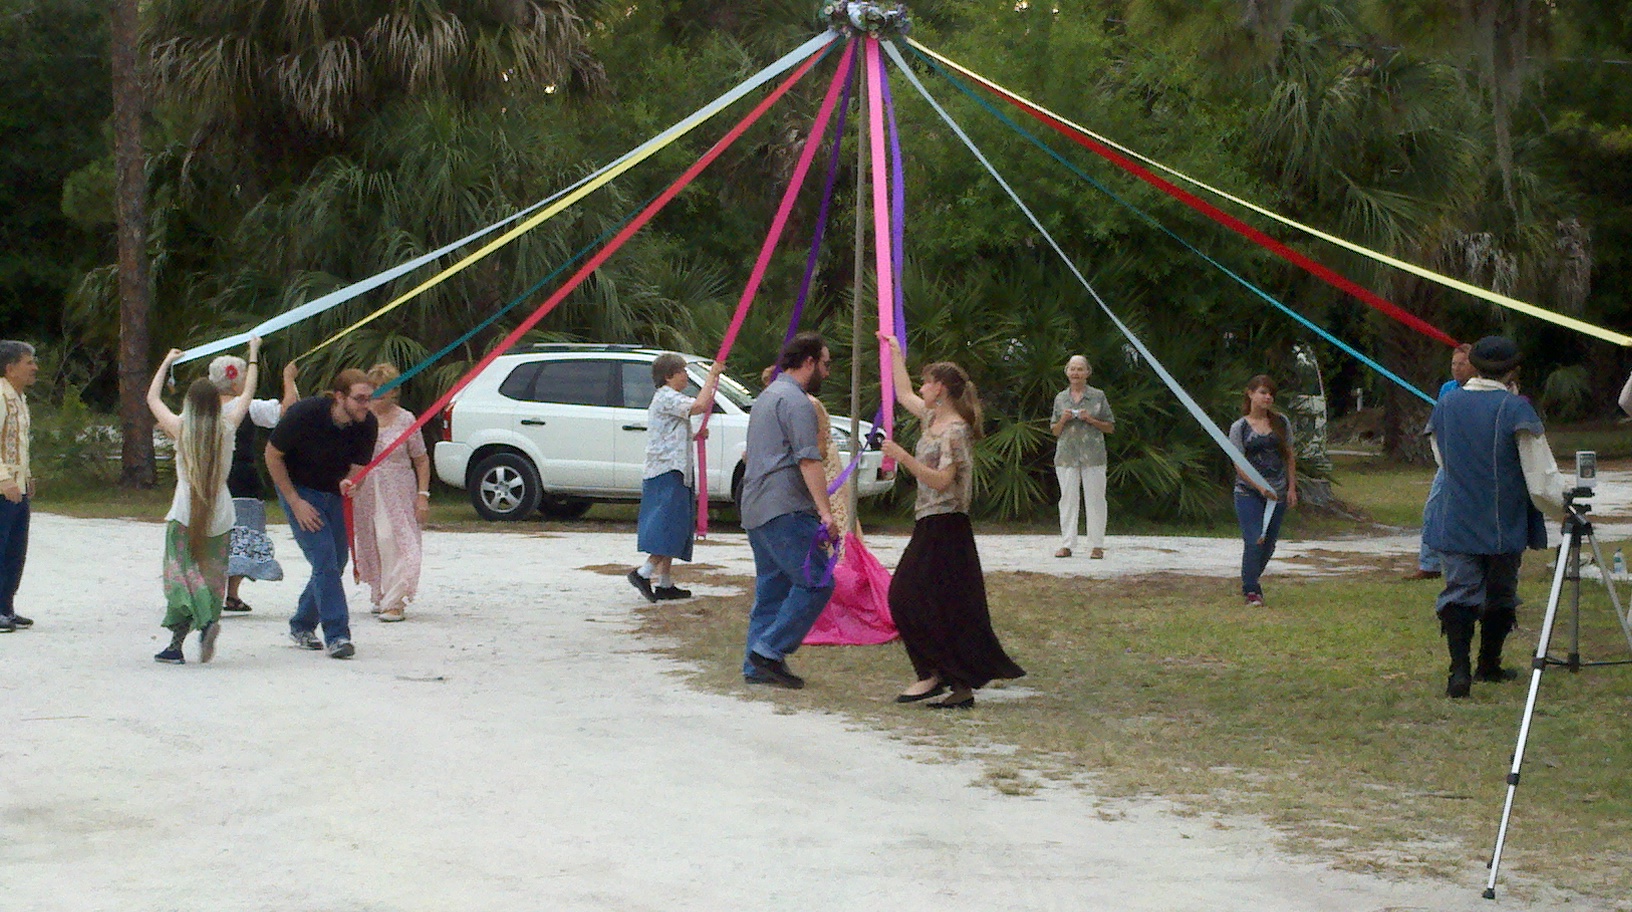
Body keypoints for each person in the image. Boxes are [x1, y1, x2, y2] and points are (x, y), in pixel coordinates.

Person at [881, 334, 1025, 709]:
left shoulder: (956, 430)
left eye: (927, 381)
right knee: (932, 602)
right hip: (929, 521)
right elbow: (902, 394)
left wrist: (902, 457)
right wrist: (894, 352)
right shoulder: (933, 417)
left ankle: (938, 676)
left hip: (946, 524)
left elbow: (943, 481)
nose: (922, 387)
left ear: (940, 388)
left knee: (910, 596)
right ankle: (946, 680)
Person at [1425, 336, 1566, 698]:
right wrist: (1563, 510)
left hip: (1456, 513)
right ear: (1512, 370)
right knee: (1500, 591)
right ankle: (1488, 664)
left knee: (1459, 591)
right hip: (1503, 517)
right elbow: (1540, 475)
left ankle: (1460, 671)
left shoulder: (1446, 403)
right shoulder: (1515, 408)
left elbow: (1442, 457)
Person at [146, 341, 259, 663]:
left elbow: (152, 397)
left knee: (180, 574)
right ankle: (206, 622)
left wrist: (167, 361)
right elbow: (248, 393)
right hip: (221, 511)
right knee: (212, 575)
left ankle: (178, 643)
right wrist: (253, 354)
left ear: (189, 403)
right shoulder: (228, 425)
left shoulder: (179, 427)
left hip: (184, 509)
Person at [738, 332, 840, 689]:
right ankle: (768, 652)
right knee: (818, 582)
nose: (827, 373)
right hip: (785, 508)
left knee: (773, 591)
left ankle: (756, 667)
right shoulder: (797, 402)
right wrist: (827, 514)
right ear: (809, 361)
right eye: (825, 364)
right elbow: (809, 459)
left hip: (756, 507)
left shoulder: (767, 397)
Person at [266, 368, 379, 659]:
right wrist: (294, 501)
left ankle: (301, 623)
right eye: (359, 398)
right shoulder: (306, 414)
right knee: (325, 559)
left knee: (336, 560)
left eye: (369, 398)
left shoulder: (367, 424)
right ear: (339, 397)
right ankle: (337, 635)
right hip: (300, 490)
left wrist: (352, 483)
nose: (366, 404)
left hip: (333, 493)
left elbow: (358, 469)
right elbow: (272, 455)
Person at [627, 354, 723, 603]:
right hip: (667, 471)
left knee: (677, 523)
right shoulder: (667, 396)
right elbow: (699, 406)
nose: (686, 376)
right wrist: (712, 376)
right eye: (681, 371)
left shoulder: (669, 399)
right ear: (669, 376)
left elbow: (670, 433)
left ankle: (665, 582)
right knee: (668, 524)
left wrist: (695, 435)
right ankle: (643, 572)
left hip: (675, 469)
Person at [209, 356, 301, 611]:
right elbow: (286, 412)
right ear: (238, 381)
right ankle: (231, 593)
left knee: (214, 533)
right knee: (241, 533)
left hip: (209, 478)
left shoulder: (200, 407)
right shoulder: (246, 405)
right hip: (242, 477)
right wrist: (288, 380)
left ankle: (212, 592)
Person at [353, 363, 431, 622]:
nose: (379, 395)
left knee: (396, 541)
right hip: (366, 491)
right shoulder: (360, 418)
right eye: (374, 389)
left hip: (398, 489)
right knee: (373, 540)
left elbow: (421, 459)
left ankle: (395, 600)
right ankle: (381, 592)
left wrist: (423, 495)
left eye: (384, 389)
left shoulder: (406, 418)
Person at [1404, 343, 1475, 581]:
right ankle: (1430, 564)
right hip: (1449, 463)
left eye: (1462, 364)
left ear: (1474, 366)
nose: (1456, 368)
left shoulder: (1483, 391)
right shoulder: (1448, 389)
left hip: (1475, 463)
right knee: (1433, 509)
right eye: (1453, 364)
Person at [1228, 375, 1298, 607]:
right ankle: (1251, 589)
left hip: (1277, 493)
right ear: (1250, 394)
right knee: (1253, 539)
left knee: (1269, 543)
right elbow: (1239, 464)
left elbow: (1289, 455)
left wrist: (1291, 488)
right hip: (1248, 492)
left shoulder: (1281, 423)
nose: (1267, 397)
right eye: (1262, 392)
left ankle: (1250, 578)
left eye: (1270, 394)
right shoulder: (1239, 428)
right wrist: (1259, 487)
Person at [1050, 355, 1115, 559]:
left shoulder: (1098, 396)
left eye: (1080, 369)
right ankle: (1067, 544)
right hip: (1067, 456)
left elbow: (1110, 426)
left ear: (1088, 372)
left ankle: (1096, 545)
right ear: (1067, 372)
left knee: (1096, 500)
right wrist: (1063, 419)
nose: (1076, 373)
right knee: (1067, 499)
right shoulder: (1061, 398)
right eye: (1072, 369)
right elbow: (1054, 430)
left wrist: (1091, 419)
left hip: (1093, 455)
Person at [0, 340, 39, 633]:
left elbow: (19, 443)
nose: (34, 368)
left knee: (16, 548)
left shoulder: (19, 398)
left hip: (18, 484)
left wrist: (26, 475)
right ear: (10, 367)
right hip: (3, 486)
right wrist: (3, 478)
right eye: (28, 363)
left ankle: (6, 606)